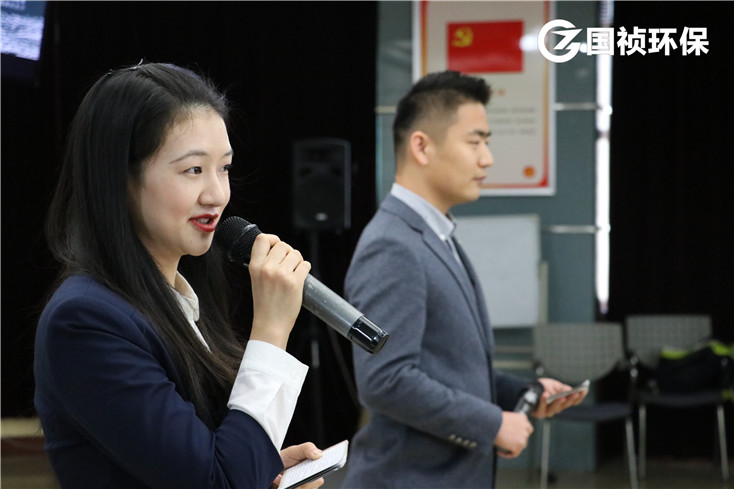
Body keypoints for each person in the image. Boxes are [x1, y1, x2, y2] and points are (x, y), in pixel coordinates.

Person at [34, 62, 323, 489]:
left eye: (224, 168)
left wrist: (261, 469)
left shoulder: (181, 300)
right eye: (193, 170)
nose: (217, 194)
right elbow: (213, 481)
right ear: (120, 179)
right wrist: (271, 331)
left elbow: (199, 463)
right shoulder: (85, 321)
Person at [341, 70, 586, 489]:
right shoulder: (392, 245)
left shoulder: (436, 234)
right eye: (475, 142)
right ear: (422, 146)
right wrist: (492, 424)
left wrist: (521, 393)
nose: (487, 159)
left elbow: (446, 368)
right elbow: (385, 380)